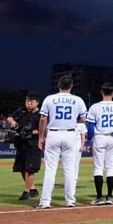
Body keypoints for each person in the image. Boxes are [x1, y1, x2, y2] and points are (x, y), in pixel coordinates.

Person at [36, 75, 87, 209]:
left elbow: (42, 119)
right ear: (71, 86)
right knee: (69, 170)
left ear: (58, 85)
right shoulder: (78, 100)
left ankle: (46, 201)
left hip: (53, 133)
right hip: (70, 134)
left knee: (50, 170)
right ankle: (70, 200)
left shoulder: (50, 98)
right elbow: (83, 119)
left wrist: (41, 137)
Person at [85, 83, 113, 205]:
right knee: (110, 167)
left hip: (99, 137)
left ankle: (99, 197)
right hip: (112, 137)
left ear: (101, 92)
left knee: (98, 167)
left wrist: (89, 141)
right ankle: (109, 197)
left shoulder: (95, 107)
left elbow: (91, 127)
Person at [7, 93, 42, 199]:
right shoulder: (22, 111)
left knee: (30, 169)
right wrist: (13, 123)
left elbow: (44, 129)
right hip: (21, 143)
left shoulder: (41, 114)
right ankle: (33, 189)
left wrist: (31, 133)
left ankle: (26, 192)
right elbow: (10, 118)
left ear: (37, 103)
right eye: (27, 101)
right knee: (21, 168)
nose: (28, 104)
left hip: (34, 144)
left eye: (31, 102)